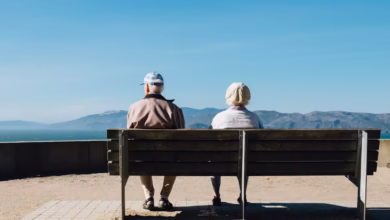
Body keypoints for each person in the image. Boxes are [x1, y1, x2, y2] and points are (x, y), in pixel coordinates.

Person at [127, 72, 185, 210]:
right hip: (168, 158)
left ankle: (148, 197)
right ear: (162, 88)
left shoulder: (134, 107)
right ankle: (164, 198)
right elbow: (182, 135)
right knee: (174, 158)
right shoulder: (174, 109)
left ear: (146, 87)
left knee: (140, 157)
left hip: (143, 158)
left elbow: (129, 136)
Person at [209, 82, 264, 206]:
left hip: (222, 162)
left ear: (228, 96)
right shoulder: (254, 118)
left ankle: (216, 195)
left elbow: (209, 139)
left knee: (213, 160)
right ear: (248, 96)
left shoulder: (219, 117)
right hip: (248, 163)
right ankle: (242, 194)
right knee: (244, 159)